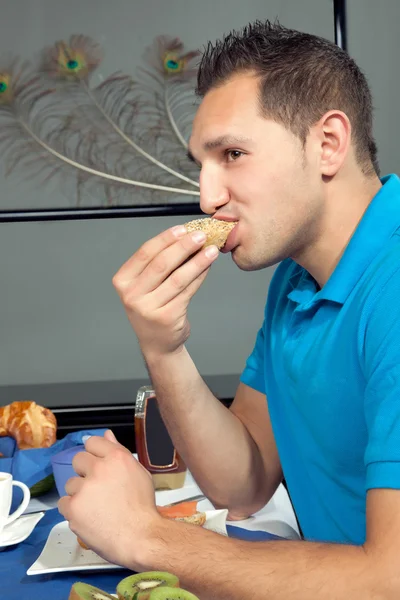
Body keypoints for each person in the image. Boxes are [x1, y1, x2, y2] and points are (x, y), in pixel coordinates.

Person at [59, 20, 400, 598]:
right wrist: (162, 345)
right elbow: (243, 483)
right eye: (202, 163)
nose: (207, 196)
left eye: (233, 154)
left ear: (328, 143)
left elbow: (389, 578)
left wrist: (144, 537)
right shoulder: (298, 275)